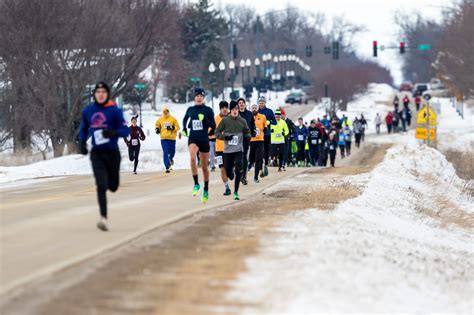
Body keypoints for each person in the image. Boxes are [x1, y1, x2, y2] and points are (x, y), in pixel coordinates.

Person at [79, 82, 129, 231]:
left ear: (107, 94)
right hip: (97, 154)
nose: (100, 94)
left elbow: (126, 130)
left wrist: (114, 133)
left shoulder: (114, 111)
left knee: (112, 187)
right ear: (94, 94)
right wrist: (82, 142)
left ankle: (110, 182)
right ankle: (103, 218)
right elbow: (83, 128)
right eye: (98, 91)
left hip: (112, 153)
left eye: (103, 92)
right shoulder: (89, 110)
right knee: (101, 185)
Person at [182, 88, 215, 203]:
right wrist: (184, 129)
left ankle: (206, 188)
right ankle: (196, 184)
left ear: (203, 97)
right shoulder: (191, 109)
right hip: (193, 138)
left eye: (201, 95)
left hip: (204, 139)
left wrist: (205, 119)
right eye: (197, 95)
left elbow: (213, 125)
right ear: (194, 97)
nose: (199, 97)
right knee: (192, 157)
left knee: (205, 167)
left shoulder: (208, 110)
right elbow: (185, 119)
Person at [215, 100, 251, 200]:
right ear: (230, 111)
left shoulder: (242, 121)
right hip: (226, 151)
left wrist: (248, 136)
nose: (235, 111)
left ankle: (235, 191)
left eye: (236, 109)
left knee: (239, 168)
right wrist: (225, 137)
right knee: (227, 171)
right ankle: (230, 175)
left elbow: (247, 131)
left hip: (238, 149)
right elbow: (216, 133)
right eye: (233, 109)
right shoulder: (225, 121)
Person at [155, 107, 180, 173]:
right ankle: (167, 166)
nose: (165, 112)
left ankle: (170, 158)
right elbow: (157, 125)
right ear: (163, 112)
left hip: (172, 138)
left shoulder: (173, 119)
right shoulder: (160, 119)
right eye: (164, 111)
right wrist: (157, 129)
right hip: (163, 139)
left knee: (172, 152)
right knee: (165, 151)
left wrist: (172, 128)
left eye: (167, 111)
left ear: (168, 112)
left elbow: (178, 127)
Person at [215, 101, 232, 195]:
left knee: (229, 168)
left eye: (226, 107)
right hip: (219, 148)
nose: (224, 109)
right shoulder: (216, 119)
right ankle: (227, 188)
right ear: (220, 109)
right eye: (222, 108)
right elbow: (211, 132)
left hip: (230, 148)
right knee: (222, 168)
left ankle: (231, 171)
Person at [237, 98, 255, 185]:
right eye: (239, 103)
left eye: (242, 103)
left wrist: (253, 132)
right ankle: (238, 171)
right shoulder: (235, 114)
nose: (241, 104)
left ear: (245, 104)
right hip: (236, 138)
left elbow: (252, 124)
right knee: (238, 156)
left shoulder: (249, 114)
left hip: (246, 138)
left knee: (244, 157)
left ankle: (244, 176)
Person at [258, 96, 276, 177]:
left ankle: (265, 164)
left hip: (267, 134)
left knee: (266, 150)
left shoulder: (269, 111)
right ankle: (260, 165)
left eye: (262, 103)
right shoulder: (256, 111)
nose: (261, 104)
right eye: (260, 103)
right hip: (258, 135)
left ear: (265, 103)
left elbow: (275, 122)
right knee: (259, 151)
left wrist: (269, 122)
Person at [249, 104, 267, 183]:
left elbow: (265, 127)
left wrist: (264, 130)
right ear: (251, 109)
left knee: (258, 159)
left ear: (257, 109)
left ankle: (256, 177)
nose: (254, 109)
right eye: (253, 108)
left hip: (260, 140)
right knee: (250, 159)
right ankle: (244, 174)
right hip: (250, 141)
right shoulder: (249, 117)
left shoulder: (262, 117)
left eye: (255, 108)